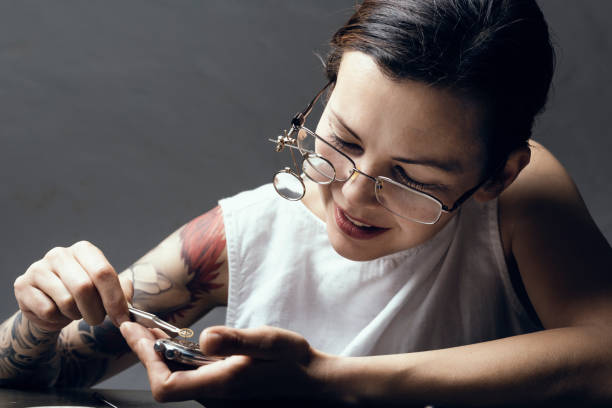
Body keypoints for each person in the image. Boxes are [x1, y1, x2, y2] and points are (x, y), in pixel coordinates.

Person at [1, 0, 611, 406]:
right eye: (341, 139)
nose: (351, 193)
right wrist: (39, 319)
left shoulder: (519, 204)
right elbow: (42, 372)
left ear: (496, 175)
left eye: (411, 176)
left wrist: (333, 381)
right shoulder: (237, 239)